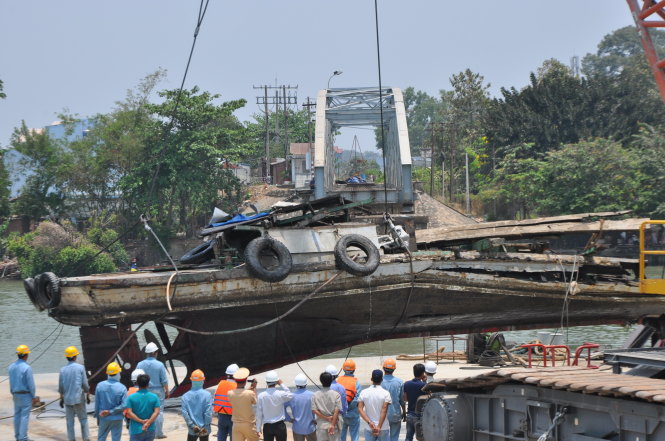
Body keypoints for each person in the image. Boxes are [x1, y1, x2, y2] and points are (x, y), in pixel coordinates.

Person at [136, 342, 169, 439]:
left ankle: (145, 430)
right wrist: (167, 391)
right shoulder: (160, 365)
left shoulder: (140, 364)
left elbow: (136, 378)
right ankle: (158, 433)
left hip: (144, 390)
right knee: (159, 411)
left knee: (144, 411)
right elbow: (164, 380)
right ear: (155, 353)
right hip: (158, 390)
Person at [59, 346, 90, 441]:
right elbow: (85, 384)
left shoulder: (62, 370)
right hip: (78, 398)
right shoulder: (80, 368)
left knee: (69, 422)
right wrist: (88, 394)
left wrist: (61, 398)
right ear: (75, 357)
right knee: (83, 419)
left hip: (68, 399)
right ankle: (86, 439)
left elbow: (61, 386)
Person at [256, 370, 293, 441]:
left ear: (266, 382)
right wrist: (282, 384)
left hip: (267, 426)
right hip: (280, 425)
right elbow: (290, 395)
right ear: (276, 382)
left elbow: (259, 414)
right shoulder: (280, 394)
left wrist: (258, 428)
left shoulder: (261, 396)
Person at [95, 362, 128, 441]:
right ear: (117, 373)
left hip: (103, 417)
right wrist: (111, 411)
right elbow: (124, 405)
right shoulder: (122, 387)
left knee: (101, 438)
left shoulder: (100, 386)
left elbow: (97, 404)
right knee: (116, 439)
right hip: (117, 418)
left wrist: (97, 417)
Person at [9, 344, 35, 441]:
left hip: (15, 394)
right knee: (24, 416)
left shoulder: (11, 367)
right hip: (26, 395)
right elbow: (31, 385)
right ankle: (23, 438)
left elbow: (11, 382)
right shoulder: (27, 368)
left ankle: (17, 436)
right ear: (25, 355)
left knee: (17, 416)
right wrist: (33, 396)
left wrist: (13, 393)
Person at [357, 370, 391, 441]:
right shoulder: (386, 393)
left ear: (371, 379)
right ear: (382, 380)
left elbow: (360, 409)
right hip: (383, 427)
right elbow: (384, 410)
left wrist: (370, 423)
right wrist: (379, 427)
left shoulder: (364, 392)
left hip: (369, 427)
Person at [125, 373, 161, 441]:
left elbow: (129, 412)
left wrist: (141, 421)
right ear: (148, 384)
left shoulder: (130, 397)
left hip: (136, 429)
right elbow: (157, 412)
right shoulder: (154, 397)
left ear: (137, 383)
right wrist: (148, 423)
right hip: (150, 428)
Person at [228, 368, 259, 441]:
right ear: (245, 381)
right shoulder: (250, 393)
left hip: (236, 425)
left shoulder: (230, 393)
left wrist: (249, 389)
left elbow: (240, 394)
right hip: (249, 425)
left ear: (235, 381)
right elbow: (255, 401)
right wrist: (254, 388)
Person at [182, 369, 213, 441]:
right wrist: (206, 425)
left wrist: (192, 426)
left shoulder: (185, 396)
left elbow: (185, 413)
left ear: (191, 381)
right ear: (203, 381)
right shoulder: (207, 395)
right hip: (204, 428)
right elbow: (208, 413)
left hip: (192, 429)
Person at [285, 373, 316, 441]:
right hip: (310, 427)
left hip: (297, 427)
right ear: (306, 384)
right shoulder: (312, 395)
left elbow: (284, 407)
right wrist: (316, 419)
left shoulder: (292, 396)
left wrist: (288, 419)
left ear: (296, 384)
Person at [311, 372, 342, 441]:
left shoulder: (315, 395)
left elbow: (314, 410)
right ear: (331, 381)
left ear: (321, 381)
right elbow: (337, 411)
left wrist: (326, 418)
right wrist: (333, 425)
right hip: (333, 425)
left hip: (321, 425)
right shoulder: (336, 395)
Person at [337, 359, 362, 441]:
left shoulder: (338, 380)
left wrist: (343, 408)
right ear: (354, 370)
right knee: (354, 435)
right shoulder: (356, 382)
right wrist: (349, 408)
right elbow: (357, 399)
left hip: (340, 413)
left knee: (341, 435)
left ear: (343, 369)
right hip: (353, 413)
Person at [379, 359, 404, 441]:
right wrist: (404, 412)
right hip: (395, 413)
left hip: (381, 414)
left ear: (383, 368)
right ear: (394, 369)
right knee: (394, 436)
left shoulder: (379, 382)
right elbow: (402, 400)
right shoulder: (399, 382)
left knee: (382, 437)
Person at [214, 363, 239, 441]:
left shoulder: (220, 384)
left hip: (221, 416)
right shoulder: (237, 387)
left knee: (221, 435)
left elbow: (215, 397)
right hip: (233, 417)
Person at [402, 364, 427, 441]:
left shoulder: (406, 384)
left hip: (410, 414)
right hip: (420, 416)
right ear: (423, 373)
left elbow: (405, 399)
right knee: (421, 438)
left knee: (408, 437)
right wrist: (425, 382)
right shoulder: (424, 385)